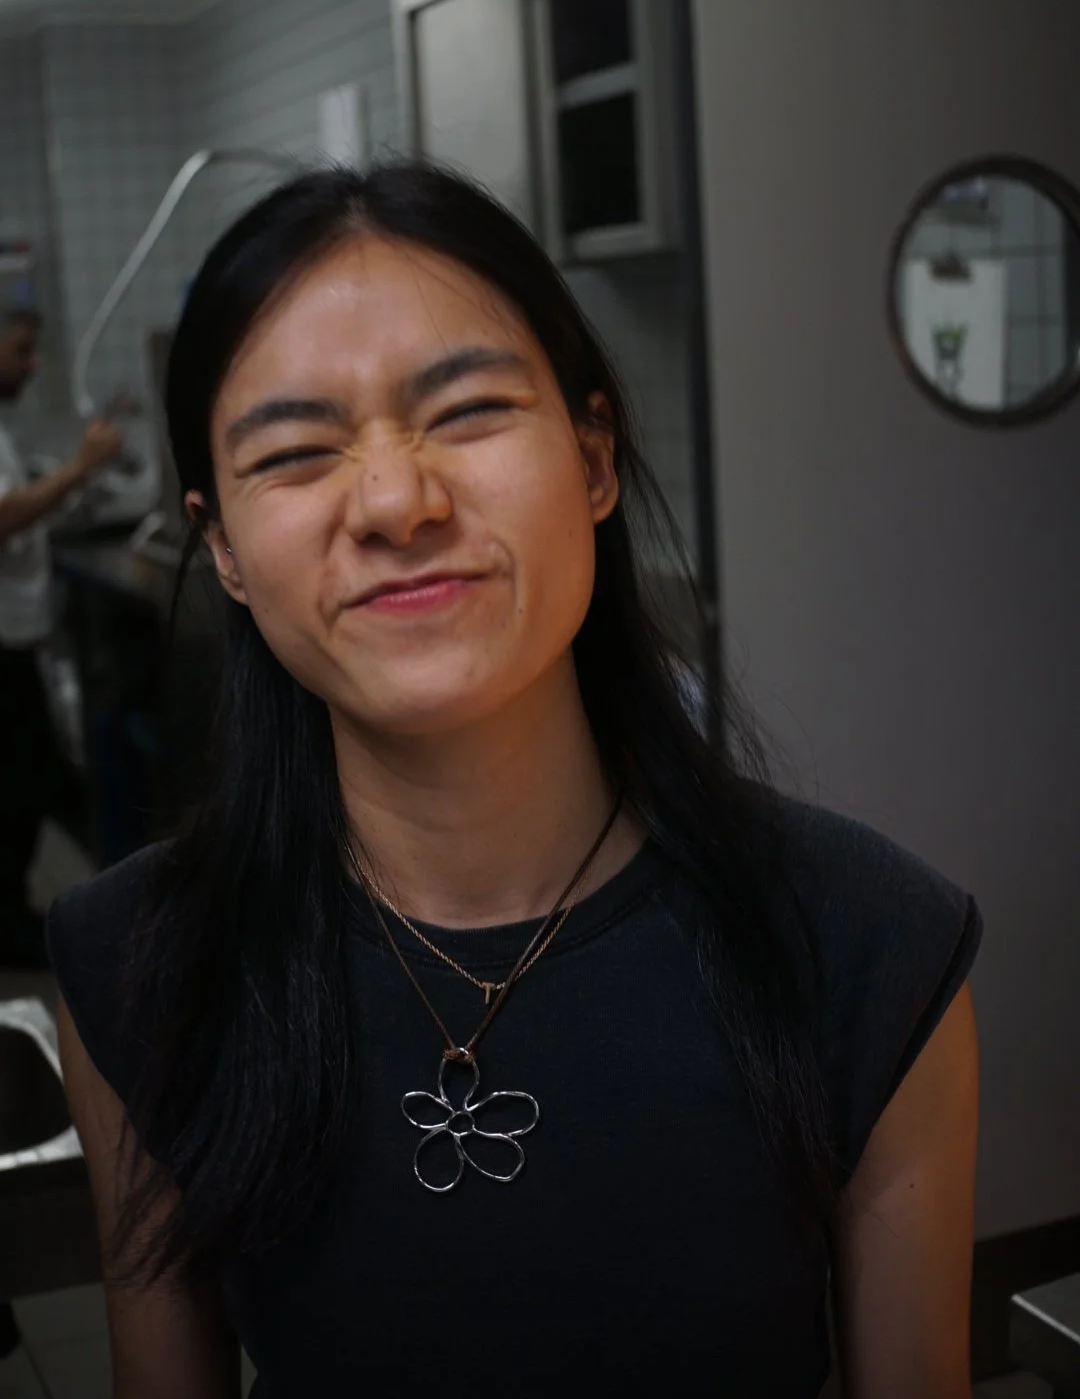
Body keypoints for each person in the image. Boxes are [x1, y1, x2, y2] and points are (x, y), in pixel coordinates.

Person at [46, 166, 982, 1398]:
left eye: (470, 409)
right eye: (297, 451)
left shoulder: (865, 944)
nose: (396, 500)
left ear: (594, 459)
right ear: (221, 543)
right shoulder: (147, 964)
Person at [0, 305, 122, 968]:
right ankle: (10, 924)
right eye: (21, 350)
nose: (32, 365)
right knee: (21, 781)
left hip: (15, 637)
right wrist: (81, 467)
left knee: (31, 775)